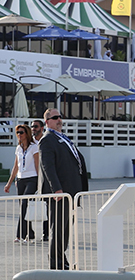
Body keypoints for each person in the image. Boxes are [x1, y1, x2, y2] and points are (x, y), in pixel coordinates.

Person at [39, 109, 88, 270]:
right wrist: (56, 189)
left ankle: (62, 260)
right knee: (58, 229)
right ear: (47, 122)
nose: (59, 120)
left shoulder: (61, 138)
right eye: (55, 118)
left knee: (65, 229)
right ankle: (56, 264)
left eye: (60, 117)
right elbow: (48, 166)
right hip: (60, 194)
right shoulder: (47, 139)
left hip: (71, 192)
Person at [4, 124, 40, 242]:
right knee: (23, 207)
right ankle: (30, 233)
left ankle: (20, 235)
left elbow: (37, 165)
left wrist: (40, 183)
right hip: (20, 180)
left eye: (21, 132)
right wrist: (9, 183)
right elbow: (16, 167)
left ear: (27, 134)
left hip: (32, 178)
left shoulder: (34, 147)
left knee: (25, 204)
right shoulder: (18, 148)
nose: (19, 135)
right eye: (17, 132)